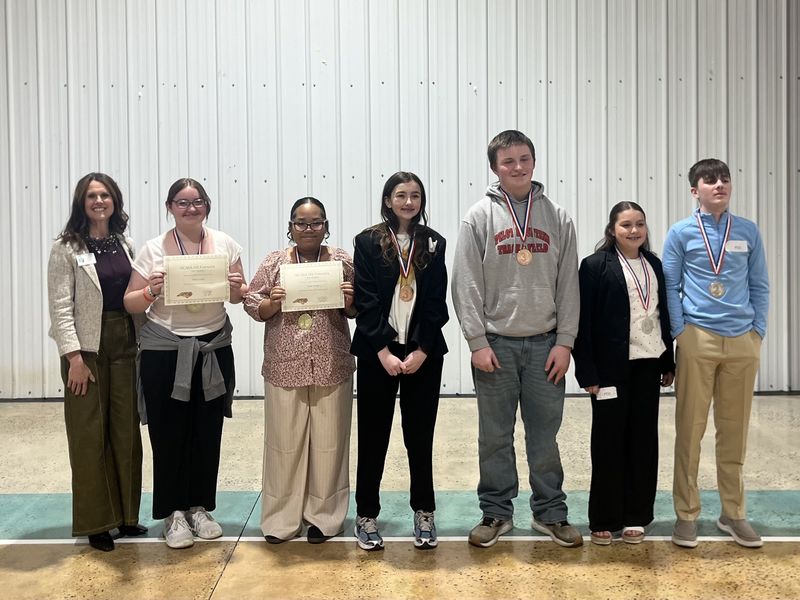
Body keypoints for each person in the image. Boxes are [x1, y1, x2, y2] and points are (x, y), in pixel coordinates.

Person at [452, 129, 582, 548]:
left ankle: (551, 513)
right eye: (508, 161)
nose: (518, 167)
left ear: (534, 161)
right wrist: (476, 341)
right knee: (494, 436)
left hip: (546, 345)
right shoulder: (478, 216)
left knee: (545, 435)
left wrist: (565, 341)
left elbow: (568, 284)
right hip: (497, 344)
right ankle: (495, 512)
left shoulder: (558, 216)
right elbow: (465, 283)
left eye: (524, 158)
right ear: (495, 167)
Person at [123, 178, 248, 549]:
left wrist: (236, 286)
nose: (190, 208)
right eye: (182, 202)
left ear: (207, 206)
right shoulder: (153, 249)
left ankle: (199, 507)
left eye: (198, 202)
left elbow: (241, 297)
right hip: (165, 352)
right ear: (170, 207)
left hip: (212, 348)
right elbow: (131, 302)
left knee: (207, 431)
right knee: (167, 433)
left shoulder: (225, 244)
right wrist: (151, 291)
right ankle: (173, 513)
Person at [663, 158, 769, 549]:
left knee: (734, 431)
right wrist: (681, 333)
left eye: (725, 178)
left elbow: (760, 285)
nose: (719, 184)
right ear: (695, 190)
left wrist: (757, 332)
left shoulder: (747, 232)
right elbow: (670, 287)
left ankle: (733, 513)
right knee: (690, 430)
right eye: (710, 180)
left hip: (742, 341)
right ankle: (687, 514)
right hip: (698, 338)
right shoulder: (681, 233)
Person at [244, 197, 356, 544]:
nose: (309, 229)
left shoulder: (341, 261)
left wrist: (351, 299)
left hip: (331, 362)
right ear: (290, 227)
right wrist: (271, 302)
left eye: (316, 222)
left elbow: (357, 309)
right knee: (283, 445)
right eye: (301, 223)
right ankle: (280, 521)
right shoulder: (276, 262)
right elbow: (251, 300)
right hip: (284, 364)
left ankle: (324, 518)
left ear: (326, 225)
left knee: (330, 444)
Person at [47, 172, 147, 552]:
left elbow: (135, 293)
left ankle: (126, 515)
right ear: (81, 202)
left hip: (125, 341)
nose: (99, 201)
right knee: (90, 434)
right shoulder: (66, 247)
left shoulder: (126, 243)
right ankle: (97, 522)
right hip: (86, 349)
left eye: (105, 194)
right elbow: (60, 306)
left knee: (125, 430)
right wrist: (73, 357)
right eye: (92, 195)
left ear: (115, 201)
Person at [351, 171, 449, 551]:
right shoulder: (368, 241)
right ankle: (366, 514)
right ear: (388, 199)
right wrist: (383, 351)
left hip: (424, 354)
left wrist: (423, 349)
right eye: (401, 195)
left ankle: (424, 510)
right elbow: (366, 299)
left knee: (419, 437)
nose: (409, 202)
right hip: (380, 353)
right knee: (373, 436)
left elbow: (436, 302)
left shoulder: (434, 242)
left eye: (415, 195)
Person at [572, 201, 675, 546]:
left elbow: (663, 316)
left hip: (648, 365)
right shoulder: (594, 266)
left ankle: (636, 515)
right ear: (612, 229)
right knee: (608, 442)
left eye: (640, 224)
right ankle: (604, 516)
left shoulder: (655, 265)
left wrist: (668, 362)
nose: (634, 231)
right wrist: (586, 370)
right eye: (626, 225)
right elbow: (582, 322)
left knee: (644, 441)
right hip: (609, 370)